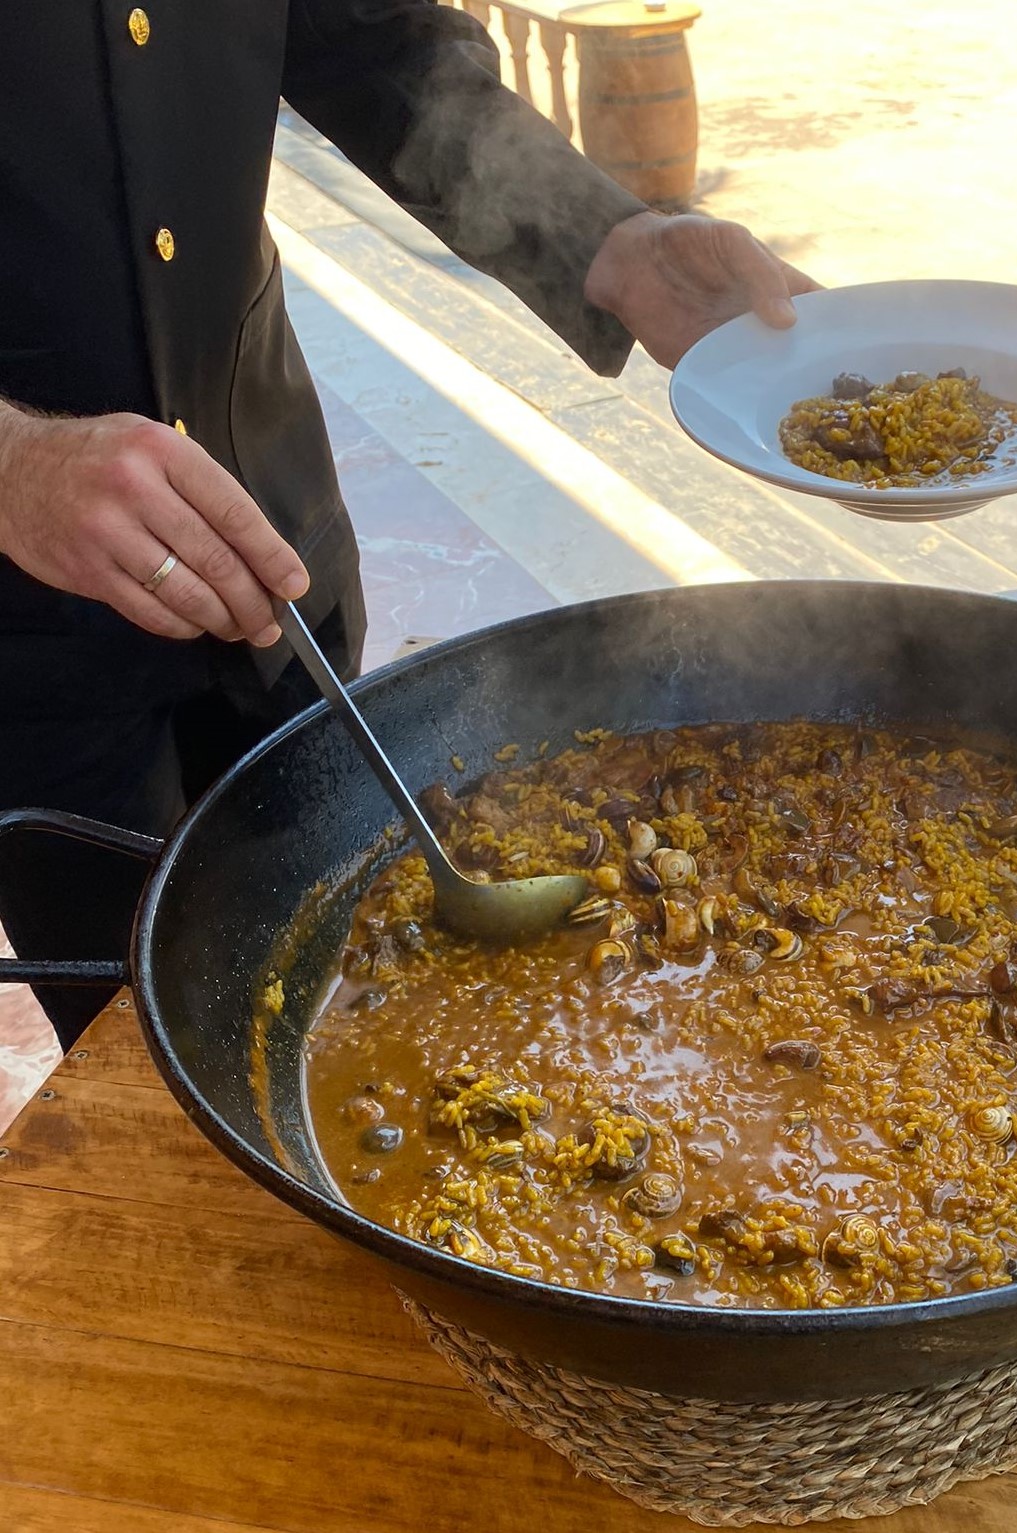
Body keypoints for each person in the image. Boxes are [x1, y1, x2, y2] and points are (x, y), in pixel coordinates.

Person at [0, 0, 813, 1047]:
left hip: (274, 536)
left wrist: (604, 239)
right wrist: (16, 464)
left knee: (357, 952)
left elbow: (372, 41)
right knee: (132, 1053)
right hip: (30, 652)